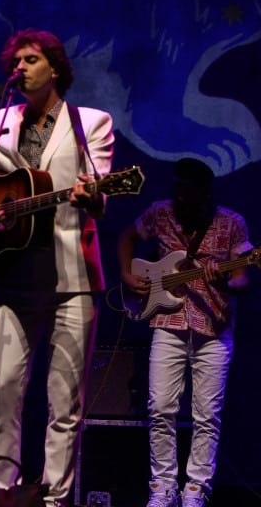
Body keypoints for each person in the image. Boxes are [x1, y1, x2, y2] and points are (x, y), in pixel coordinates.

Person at [0, 28, 114, 506]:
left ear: (54, 68)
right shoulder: (0, 121)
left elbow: (96, 191)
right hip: (11, 274)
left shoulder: (91, 122)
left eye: (31, 59)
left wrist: (91, 196)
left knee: (64, 400)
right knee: (3, 388)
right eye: (16, 61)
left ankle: (55, 498)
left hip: (72, 278)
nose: (21, 68)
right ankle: (2, 492)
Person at [117, 158, 253, 507]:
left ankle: (195, 490)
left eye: (188, 193)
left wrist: (224, 276)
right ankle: (162, 488)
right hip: (168, 324)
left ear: (204, 194)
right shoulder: (161, 213)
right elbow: (126, 238)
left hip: (214, 329)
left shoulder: (231, 223)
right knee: (160, 407)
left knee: (206, 415)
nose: (181, 199)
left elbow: (241, 279)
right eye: (177, 191)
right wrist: (128, 277)